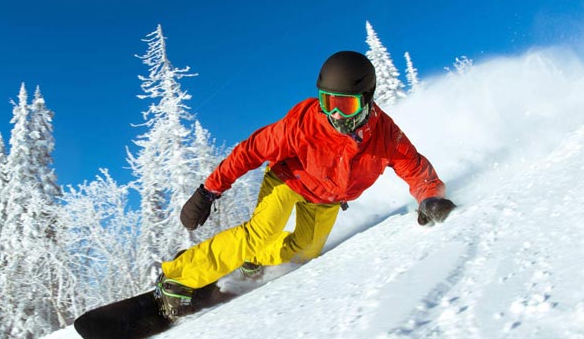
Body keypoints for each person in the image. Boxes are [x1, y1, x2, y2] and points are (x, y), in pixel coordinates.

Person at [155, 50, 456, 319]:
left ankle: (254, 260)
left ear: (367, 99)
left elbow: (414, 167)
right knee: (262, 232)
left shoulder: (385, 135)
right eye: (328, 102)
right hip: (289, 181)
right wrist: (208, 191)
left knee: (305, 251)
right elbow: (250, 151)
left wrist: (430, 197)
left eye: (345, 106)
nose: (335, 114)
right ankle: (178, 277)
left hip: (326, 199)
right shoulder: (303, 124)